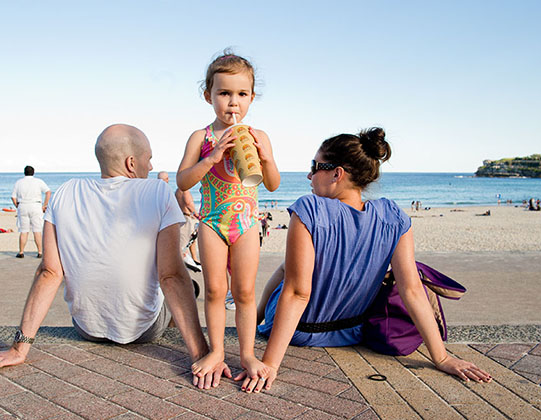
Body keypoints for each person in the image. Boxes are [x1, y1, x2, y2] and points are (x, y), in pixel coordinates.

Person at [244, 127, 490, 393]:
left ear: (337, 173)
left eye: (315, 167)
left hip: (299, 331)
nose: (309, 175)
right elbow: (412, 290)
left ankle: (257, 317)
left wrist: (270, 363)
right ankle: (259, 317)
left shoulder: (309, 209)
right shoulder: (393, 215)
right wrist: (441, 357)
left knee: (288, 269)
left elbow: (297, 292)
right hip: (352, 332)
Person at [0, 124, 220, 389]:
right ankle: (175, 333)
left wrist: (20, 348)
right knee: (188, 284)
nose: (150, 167)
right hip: (143, 330)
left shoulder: (66, 192)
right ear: (131, 163)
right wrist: (201, 354)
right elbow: (170, 276)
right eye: (148, 159)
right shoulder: (158, 192)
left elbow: (49, 272)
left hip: (86, 327)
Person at [176, 51, 280, 386]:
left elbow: (274, 184)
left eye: (241, 94)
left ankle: (248, 353)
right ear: (208, 96)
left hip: (247, 223)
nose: (232, 102)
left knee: (245, 291)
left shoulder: (259, 136)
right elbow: (183, 180)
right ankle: (217, 350)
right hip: (212, 222)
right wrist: (213, 156)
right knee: (215, 289)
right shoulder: (201, 137)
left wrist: (265, 159)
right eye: (224, 93)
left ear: (251, 97)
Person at [11, 166, 51, 258]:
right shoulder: (38, 181)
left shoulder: (19, 182)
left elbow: (13, 197)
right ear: (33, 172)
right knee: (37, 230)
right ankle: (40, 252)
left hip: (23, 206)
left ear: (24, 172)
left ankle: (21, 252)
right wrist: (44, 205)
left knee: (24, 231)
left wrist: (17, 205)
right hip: (36, 206)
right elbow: (48, 192)